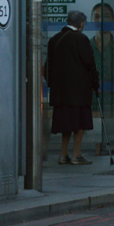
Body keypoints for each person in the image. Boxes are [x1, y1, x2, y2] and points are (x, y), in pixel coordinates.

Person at [44, 9, 100, 165]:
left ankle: (63, 154)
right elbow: (90, 64)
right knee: (79, 124)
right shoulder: (81, 39)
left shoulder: (54, 40)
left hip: (60, 93)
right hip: (79, 92)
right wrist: (95, 84)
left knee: (65, 124)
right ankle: (76, 154)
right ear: (81, 24)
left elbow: (47, 67)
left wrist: (53, 85)